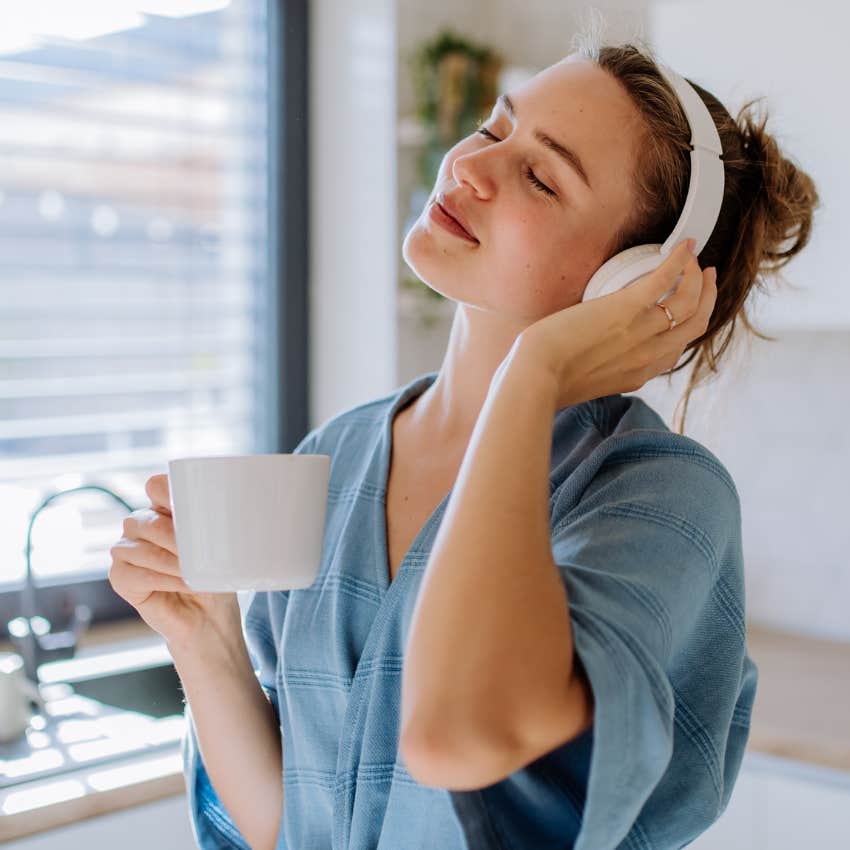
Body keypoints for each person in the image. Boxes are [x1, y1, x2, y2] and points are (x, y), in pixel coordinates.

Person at [109, 36, 818, 850]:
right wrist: (207, 644)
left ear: (634, 280)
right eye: (493, 130)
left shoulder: (656, 497)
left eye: (542, 177)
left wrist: (535, 371)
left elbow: (461, 738)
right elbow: (299, 827)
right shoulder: (333, 458)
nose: (470, 168)